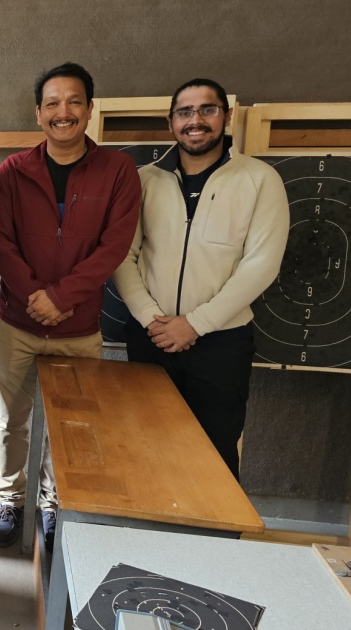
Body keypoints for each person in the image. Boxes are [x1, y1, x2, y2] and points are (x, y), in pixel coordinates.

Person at [0, 62, 140, 550]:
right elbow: (0, 241)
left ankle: (55, 503)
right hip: (18, 323)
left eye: (74, 101)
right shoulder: (13, 170)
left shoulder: (118, 171)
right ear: (38, 113)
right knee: (11, 420)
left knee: (72, 425)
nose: (63, 112)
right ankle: (11, 501)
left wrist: (60, 298)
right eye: (52, 103)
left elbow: (114, 247)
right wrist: (35, 296)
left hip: (79, 328)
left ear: (90, 110)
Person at [113, 78, 288, 479]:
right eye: (185, 112)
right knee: (146, 446)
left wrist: (195, 324)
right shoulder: (143, 180)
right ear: (171, 122)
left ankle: (213, 523)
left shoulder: (260, 180)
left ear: (226, 116)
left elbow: (261, 265)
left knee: (215, 455)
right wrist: (151, 318)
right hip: (151, 336)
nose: (196, 120)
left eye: (207, 109)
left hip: (221, 342)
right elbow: (122, 254)